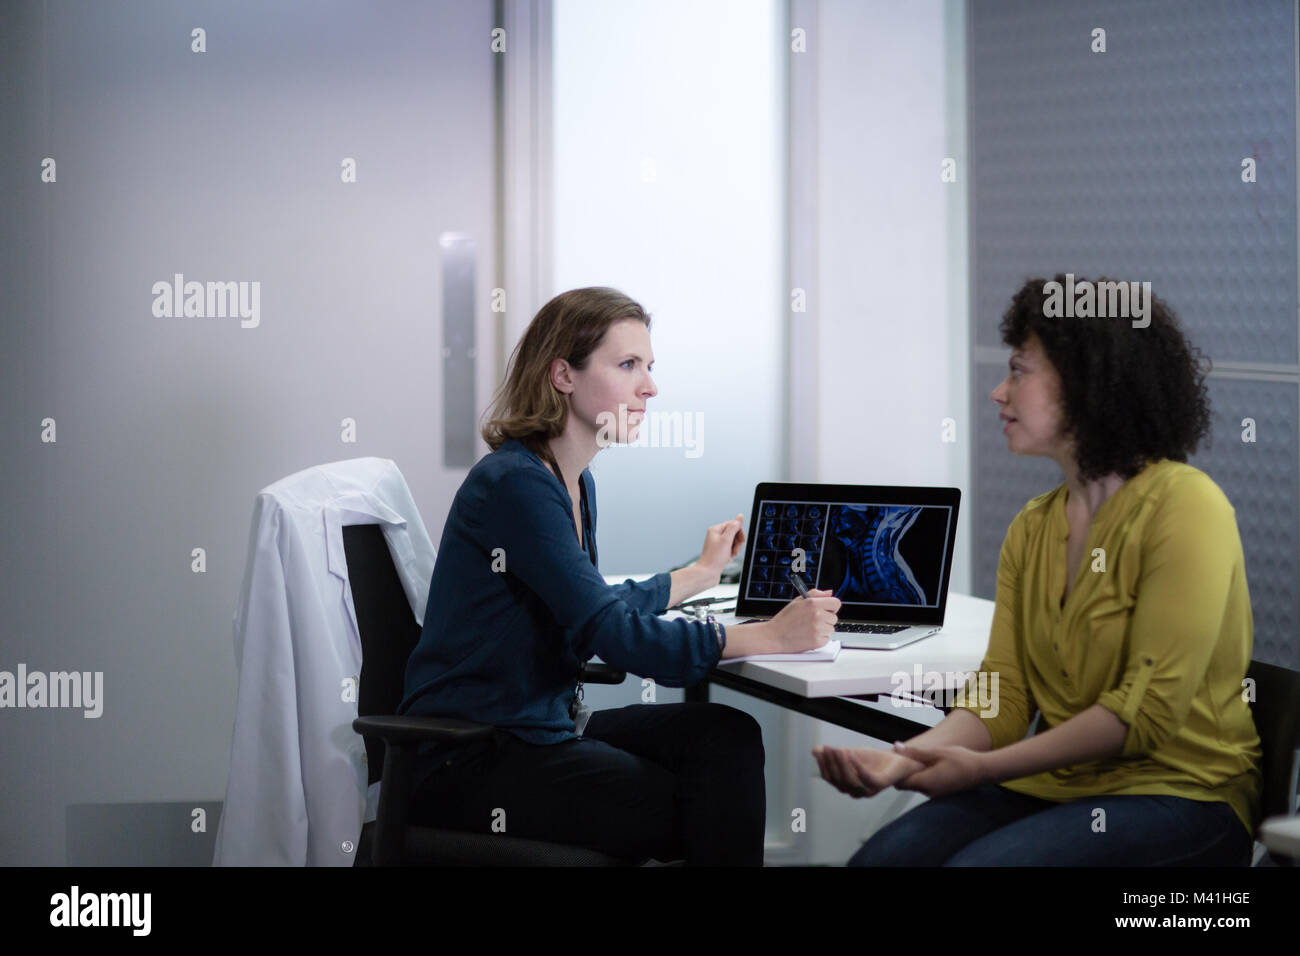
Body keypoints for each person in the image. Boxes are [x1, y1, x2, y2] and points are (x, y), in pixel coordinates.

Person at [815, 274, 1262, 866]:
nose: (999, 392)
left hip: (1179, 794)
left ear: (1088, 385)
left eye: (1020, 370)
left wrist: (981, 769)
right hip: (1057, 784)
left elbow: (1144, 714)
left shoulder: (1187, 506)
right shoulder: (1033, 526)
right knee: (880, 863)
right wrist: (905, 759)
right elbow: (1004, 693)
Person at [400, 286, 839, 865]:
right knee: (697, 803)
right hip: (472, 757)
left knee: (725, 737)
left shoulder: (572, 481)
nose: (650, 386)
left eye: (649, 367)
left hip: (537, 729)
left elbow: (592, 603)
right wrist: (772, 636)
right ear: (563, 375)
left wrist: (698, 574)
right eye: (628, 365)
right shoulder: (515, 484)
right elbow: (611, 631)